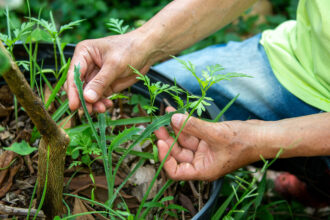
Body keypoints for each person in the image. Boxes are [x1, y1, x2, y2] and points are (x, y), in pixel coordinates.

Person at [64, 0, 329, 202]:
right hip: (297, 61)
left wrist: (256, 141)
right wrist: (139, 44)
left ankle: (317, 177)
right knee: (160, 93)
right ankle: (314, 174)